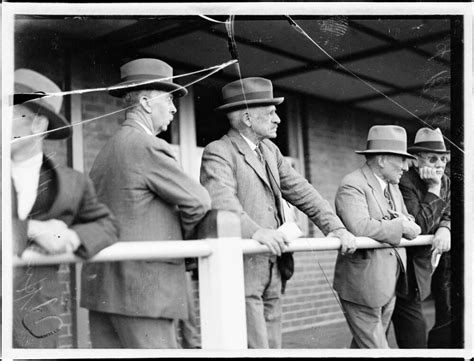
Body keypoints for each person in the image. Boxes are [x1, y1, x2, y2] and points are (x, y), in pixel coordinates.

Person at [200, 77, 357, 348]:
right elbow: (221, 201)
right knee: (254, 348)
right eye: (271, 113)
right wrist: (256, 232)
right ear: (248, 118)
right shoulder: (220, 152)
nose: (278, 120)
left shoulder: (270, 151)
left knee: (273, 347)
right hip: (243, 271)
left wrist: (335, 227)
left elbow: (302, 190)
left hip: (273, 267)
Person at [80, 58, 211, 348]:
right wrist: (184, 244)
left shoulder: (106, 150)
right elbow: (199, 201)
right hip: (143, 292)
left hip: (104, 291)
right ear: (146, 103)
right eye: (170, 99)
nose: (175, 108)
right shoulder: (147, 145)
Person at [11, 69, 118, 348]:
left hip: (36, 322)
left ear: (38, 125)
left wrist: (70, 237)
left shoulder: (72, 183)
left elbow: (106, 225)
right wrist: (32, 230)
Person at [332, 125, 421, 349]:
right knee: (378, 349)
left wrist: (405, 223)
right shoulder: (352, 184)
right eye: (400, 159)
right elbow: (360, 226)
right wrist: (400, 225)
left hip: (389, 282)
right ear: (381, 159)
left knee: (365, 347)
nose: (405, 166)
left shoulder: (393, 186)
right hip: (363, 287)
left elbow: (407, 217)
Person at [393, 127, 452, 348]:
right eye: (433, 158)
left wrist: (445, 227)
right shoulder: (404, 181)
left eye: (443, 159)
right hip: (403, 270)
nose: (439, 164)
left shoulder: (447, 179)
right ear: (416, 161)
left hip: (427, 265)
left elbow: (454, 210)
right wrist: (434, 188)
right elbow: (421, 226)